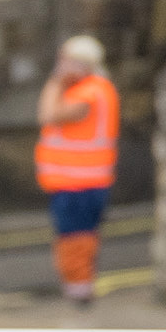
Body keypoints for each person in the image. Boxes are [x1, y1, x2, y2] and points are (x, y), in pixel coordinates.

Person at [35, 34, 118, 307]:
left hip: (78, 183)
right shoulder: (97, 88)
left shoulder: (89, 92)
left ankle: (79, 291)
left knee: (75, 239)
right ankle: (80, 287)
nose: (60, 66)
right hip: (83, 181)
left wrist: (55, 81)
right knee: (81, 237)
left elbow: (48, 115)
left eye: (65, 60)